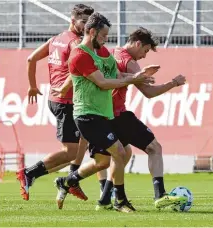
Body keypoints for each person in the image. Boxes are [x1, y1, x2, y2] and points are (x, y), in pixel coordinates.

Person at [56, 27, 187, 211]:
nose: (144, 56)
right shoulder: (129, 61)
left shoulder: (110, 52)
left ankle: (88, 192)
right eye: (145, 50)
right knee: (153, 148)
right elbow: (149, 92)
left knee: (110, 159)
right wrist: (173, 83)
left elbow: (80, 70)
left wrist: (63, 88)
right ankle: (159, 195)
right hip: (115, 115)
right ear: (137, 43)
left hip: (103, 114)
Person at [16, 4, 94, 201]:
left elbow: (31, 59)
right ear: (72, 20)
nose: (86, 26)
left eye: (89, 23)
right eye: (83, 22)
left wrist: (32, 86)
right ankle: (30, 173)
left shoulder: (55, 40)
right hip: (66, 101)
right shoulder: (75, 43)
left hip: (59, 99)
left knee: (85, 139)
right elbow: (76, 70)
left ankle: (71, 180)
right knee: (70, 152)